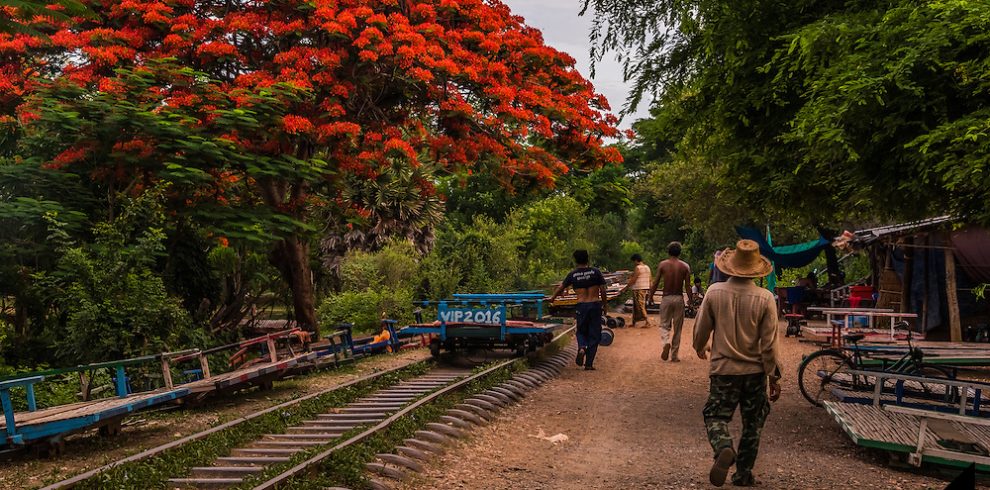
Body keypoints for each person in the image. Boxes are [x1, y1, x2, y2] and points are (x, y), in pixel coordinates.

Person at [692, 239, 782, 487]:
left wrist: (700, 347)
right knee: (753, 423)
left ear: (729, 266)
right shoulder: (765, 298)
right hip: (754, 374)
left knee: (715, 415)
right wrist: (773, 376)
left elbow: (701, 330)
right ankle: (743, 474)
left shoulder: (714, 292)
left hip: (723, 371)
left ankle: (723, 446)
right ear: (756, 269)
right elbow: (769, 345)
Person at [549, 250, 609, 370]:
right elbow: (603, 290)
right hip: (595, 305)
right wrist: (605, 305)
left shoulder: (573, 274)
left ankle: (582, 347)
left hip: (581, 306)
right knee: (594, 334)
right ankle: (589, 364)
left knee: (581, 331)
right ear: (588, 259)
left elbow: (561, 287)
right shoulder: (596, 272)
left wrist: (552, 298)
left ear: (575, 260)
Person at [648, 241, 691, 362]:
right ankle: (674, 355)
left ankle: (666, 342)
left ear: (668, 251)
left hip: (666, 298)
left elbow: (656, 282)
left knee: (664, 324)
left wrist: (650, 295)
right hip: (678, 298)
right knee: (678, 328)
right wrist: (691, 301)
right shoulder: (685, 266)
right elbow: (687, 286)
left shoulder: (663, 265)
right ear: (680, 252)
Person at [622, 254, 654, 328]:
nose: (634, 263)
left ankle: (647, 321)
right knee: (636, 306)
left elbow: (633, 280)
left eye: (634, 261)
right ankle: (634, 322)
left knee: (640, 305)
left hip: (638, 288)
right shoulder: (647, 267)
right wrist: (650, 289)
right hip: (645, 288)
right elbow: (650, 279)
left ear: (636, 260)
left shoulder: (638, 268)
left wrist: (626, 287)